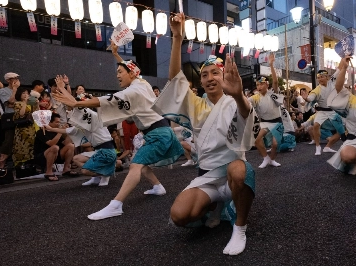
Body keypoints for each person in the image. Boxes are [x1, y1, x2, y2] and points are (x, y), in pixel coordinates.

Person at [152, 13, 259, 256]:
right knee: (180, 216)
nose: (210, 78)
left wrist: (239, 95)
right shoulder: (196, 104)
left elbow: (245, 114)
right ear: (200, 81)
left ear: (225, 76)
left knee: (239, 170)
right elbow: (175, 81)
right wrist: (177, 37)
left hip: (233, 173)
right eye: (204, 74)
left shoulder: (236, 100)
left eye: (215, 73)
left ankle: (239, 227)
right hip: (208, 176)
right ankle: (216, 206)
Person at [52, 42, 184, 220]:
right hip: (159, 131)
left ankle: (116, 204)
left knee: (136, 165)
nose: (117, 76)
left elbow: (106, 100)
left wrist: (76, 103)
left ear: (131, 73)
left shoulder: (133, 91)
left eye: (120, 72)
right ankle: (158, 187)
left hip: (158, 134)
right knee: (142, 166)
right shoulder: (142, 82)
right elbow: (130, 69)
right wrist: (116, 55)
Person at [249, 53, 284, 168]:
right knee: (257, 140)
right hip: (264, 122)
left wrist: (271, 65)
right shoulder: (255, 97)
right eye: (257, 85)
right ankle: (265, 158)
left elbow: (275, 82)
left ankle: (272, 160)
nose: (259, 87)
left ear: (267, 85)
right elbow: (245, 101)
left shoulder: (273, 93)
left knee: (275, 144)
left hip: (277, 121)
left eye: (262, 84)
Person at [301, 69, 344, 155]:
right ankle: (318, 147)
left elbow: (339, 69)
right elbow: (311, 98)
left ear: (327, 77)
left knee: (341, 132)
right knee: (316, 125)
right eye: (319, 77)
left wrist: (344, 61)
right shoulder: (317, 89)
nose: (320, 79)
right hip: (322, 111)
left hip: (333, 111)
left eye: (322, 77)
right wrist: (306, 98)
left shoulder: (332, 81)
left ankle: (328, 147)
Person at [33, 113, 76, 181]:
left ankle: (66, 169)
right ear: (49, 122)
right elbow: (51, 143)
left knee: (71, 146)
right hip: (42, 156)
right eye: (57, 122)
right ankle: (48, 172)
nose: (58, 124)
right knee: (54, 147)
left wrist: (69, 132)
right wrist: (60, 132)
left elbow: (66, 143)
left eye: (59, 122)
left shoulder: (56, 131)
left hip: (56, 155)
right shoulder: (41, 132)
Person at [0, 72, 20, 164]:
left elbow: (17, 104)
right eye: (14, 78)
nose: (16, 80)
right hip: (11, 118)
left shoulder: (21, 90)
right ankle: (1, 163)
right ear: (8, 80)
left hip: (21, 118)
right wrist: (14, 90)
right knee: (9, 140)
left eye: (17, 78)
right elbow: (9, 103)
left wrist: (13, 103)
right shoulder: (2, 91)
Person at [12, 87, 39, 167]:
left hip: (31, 128)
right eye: (23, 93)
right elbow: (21, 114)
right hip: (22, 129)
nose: (25, 95)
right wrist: (24, 102)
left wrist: (37, 104)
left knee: (31, 146)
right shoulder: (17, 103)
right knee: (22, 146)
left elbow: (36, 113)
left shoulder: (31, 104)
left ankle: (31, 164)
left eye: (27, 93)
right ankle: (21, 165)